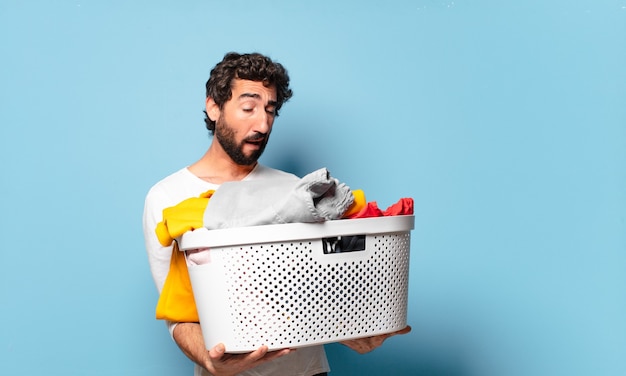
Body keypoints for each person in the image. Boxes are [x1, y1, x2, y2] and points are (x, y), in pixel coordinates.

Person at [143, 52, 411, 376]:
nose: (263, 124)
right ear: (214, 107)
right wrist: (212, 363)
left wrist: (357, 334)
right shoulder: (168, 197)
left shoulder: (295, 191)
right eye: (248, 108)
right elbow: (179, 314)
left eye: (271, 110)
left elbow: (320, 291)